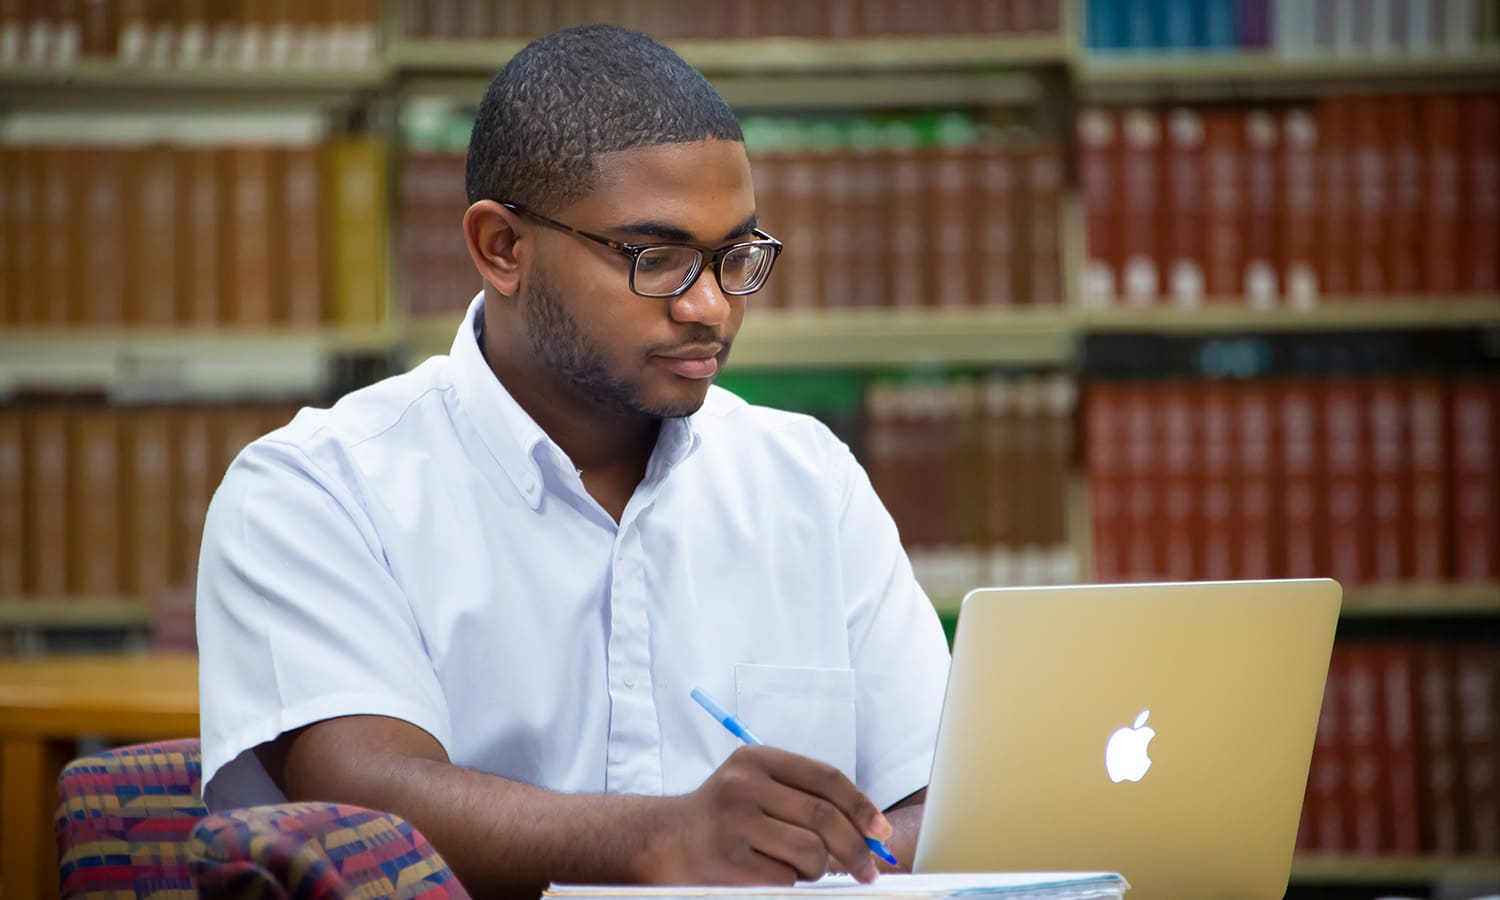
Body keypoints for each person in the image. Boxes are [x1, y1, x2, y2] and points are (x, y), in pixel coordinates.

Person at [196, 24, 950, 898]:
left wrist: (862, 845)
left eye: (737, 256)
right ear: (501, 249)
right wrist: (664, 842)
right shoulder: (314, 490)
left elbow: (936, 798)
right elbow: (364, 800)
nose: (710, 307)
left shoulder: (809, 482)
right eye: (656, 258)